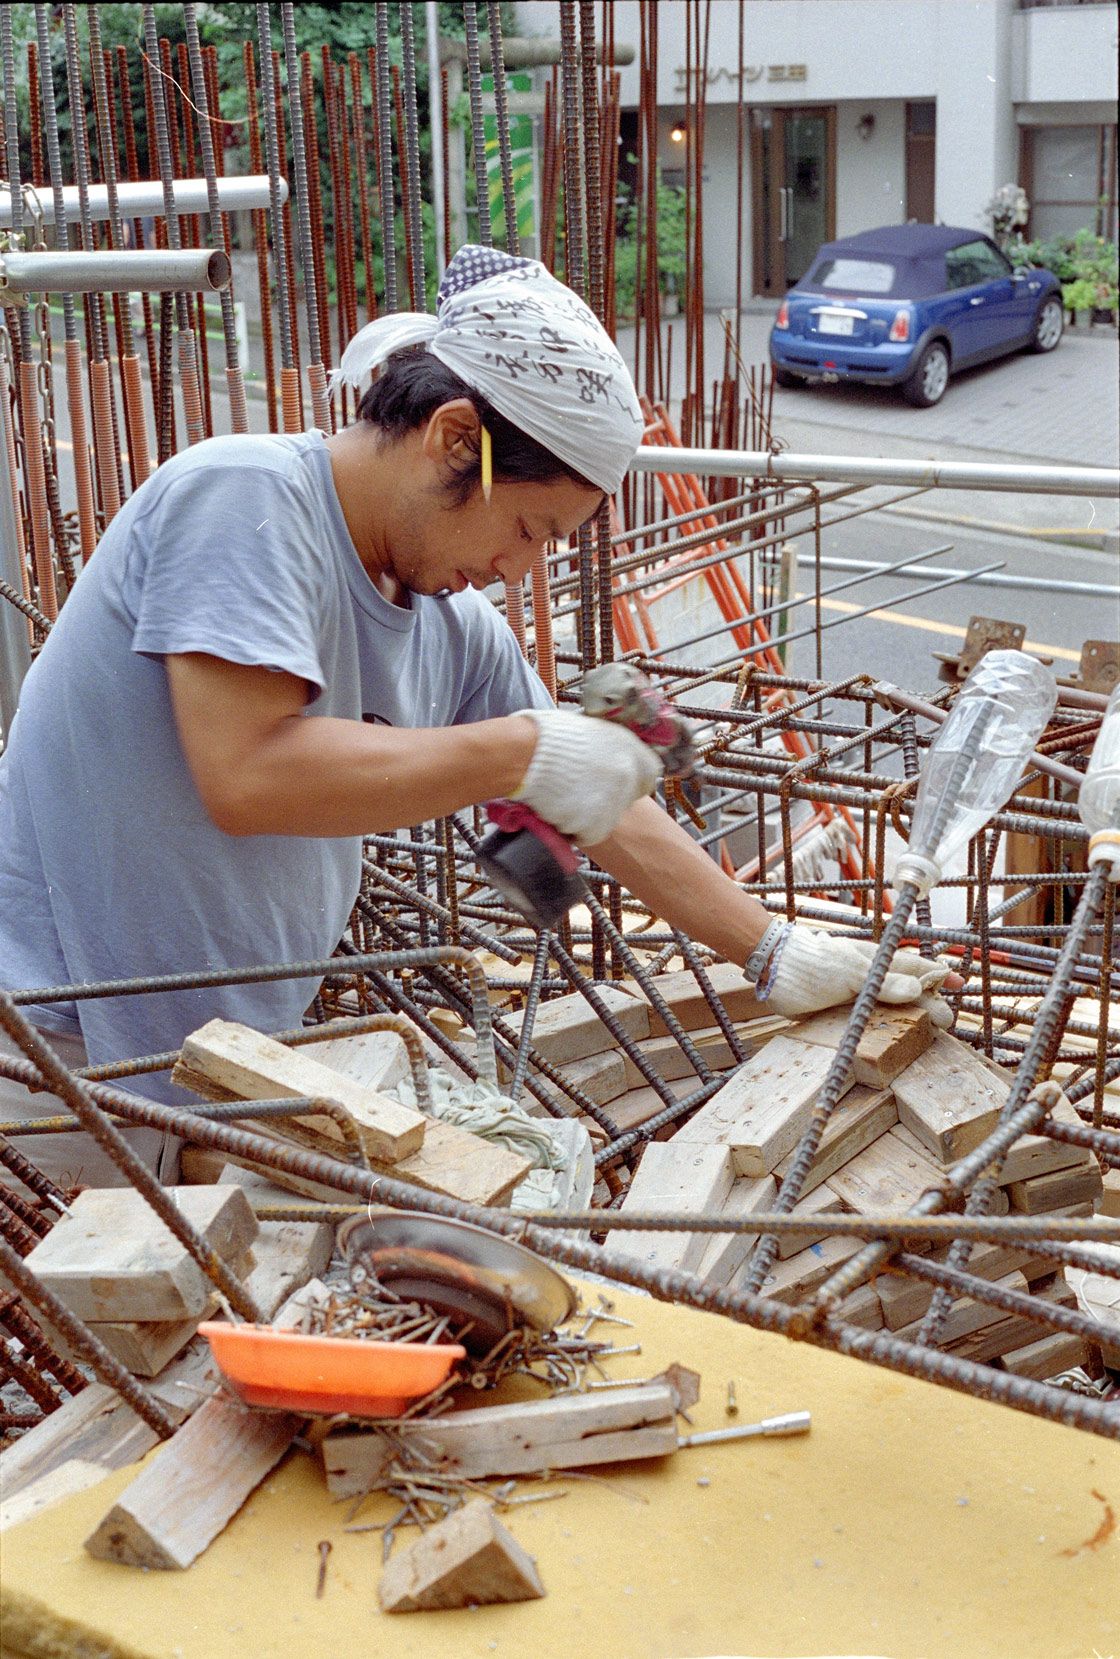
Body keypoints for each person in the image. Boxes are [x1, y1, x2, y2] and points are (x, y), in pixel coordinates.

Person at [0, 246, 947, 1191]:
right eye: (529, 528)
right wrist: (519, 749)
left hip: (227, 1064)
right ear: (457, 438)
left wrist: (773, 950)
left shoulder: (453, 629)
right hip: (59, 1057)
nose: (518, 568)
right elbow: (248, 774)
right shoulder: (244, 498)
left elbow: (603, 808)